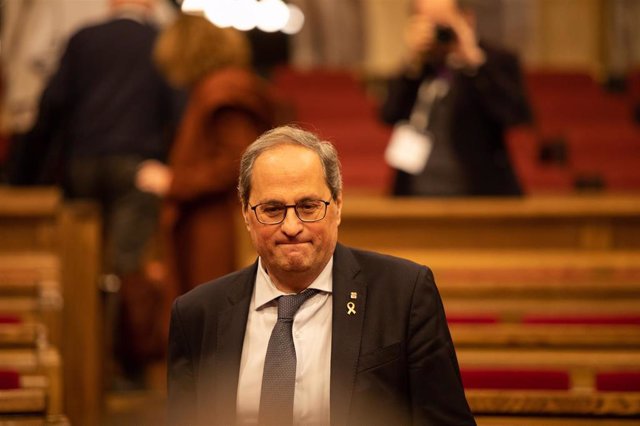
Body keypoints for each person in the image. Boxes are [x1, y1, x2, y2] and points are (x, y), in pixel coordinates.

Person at [167, 125, 475, 425]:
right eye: (273, 210)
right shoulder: (198, 314)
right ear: (247, 215)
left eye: (308, 206)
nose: (291, 227)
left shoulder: (403, 295)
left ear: (337, 206)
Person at [6, 0, 182, 384]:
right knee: (127, 264)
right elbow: (178, 108)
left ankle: (79, 363)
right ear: (149, 5)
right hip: (137, 165)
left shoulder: (83, 39)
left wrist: (20, 178)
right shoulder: (159, 40)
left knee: (80, 263)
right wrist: (174, 165)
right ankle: (122, 367)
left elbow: (51, 106)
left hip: (82, 164)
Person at [137, 15, 281, 346]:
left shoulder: (223, 91)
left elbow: (237, 161)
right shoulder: (218, 87)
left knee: (214, 325)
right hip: (205, 222)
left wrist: (173, 181)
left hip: (214, 226)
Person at [381, 0, 532, 196]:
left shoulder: (495, 62)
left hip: (479, 194)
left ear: (467, 19)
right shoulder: (419, 68)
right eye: (427, 22)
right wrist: (412, 62)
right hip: (417, 195)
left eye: (442, 22)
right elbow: (389, 113)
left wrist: (474, 62)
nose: (437, 32)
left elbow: (515, 114)